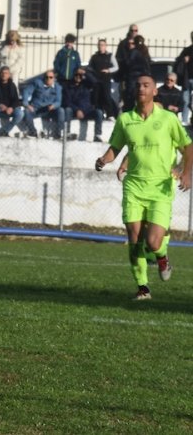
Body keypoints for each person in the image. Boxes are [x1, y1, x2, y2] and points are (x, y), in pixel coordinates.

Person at [95, 73, 192, 301]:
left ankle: (162, 257)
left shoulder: (168, 119)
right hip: (134, 187)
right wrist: (104, 159)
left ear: (154, 91)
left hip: (160, 188)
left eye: (146, 85)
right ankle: (142, 288)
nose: (141, 88)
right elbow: (116, 148)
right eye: (138, 85)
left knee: (153, 242)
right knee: (135, 238)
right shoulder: (125, 119)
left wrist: (186, 173)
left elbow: (187, 147)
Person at [62, 66, 104, 142]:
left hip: (86, 111)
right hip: (74, 111)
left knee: (99, 112)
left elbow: (94, 82)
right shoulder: (68, 87)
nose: (78, 77)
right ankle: (67, 133)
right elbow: (67, 102)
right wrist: (77, 110)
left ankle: (97, 135)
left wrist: (85, 72)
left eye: (80, 75)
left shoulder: (86, 85)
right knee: (68, 110)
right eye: (76, 75)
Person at [0, 65, 24, 137]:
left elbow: (16, 100)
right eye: (2, 73)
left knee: (20, 113)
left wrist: (11, 107)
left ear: (9, 75)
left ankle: (5, 131)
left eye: (6, 73)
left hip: (8, 110)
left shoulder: (12, 85)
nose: (4, 74)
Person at [22, 70, 62, 139]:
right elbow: (26, 91)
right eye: (46, 77)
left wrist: (53, 105)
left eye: (51, 77)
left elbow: (58, 101)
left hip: (49, 110)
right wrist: (27, 104)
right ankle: (33, 132)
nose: (48, 79)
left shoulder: (58, 87)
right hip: (36, 109)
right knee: (26, 111)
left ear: (54, 78)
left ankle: (58, 133)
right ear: (44, 78)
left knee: (61, 111)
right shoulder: (37, 83)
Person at [88, 38, 119, 119]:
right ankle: (98, 114)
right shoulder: (94, 57)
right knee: (97, 98)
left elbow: (116, 67)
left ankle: (110, 115)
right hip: (96, 80)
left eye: (102, 45)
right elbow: (89, 67)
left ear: (106, 46)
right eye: (99, 45)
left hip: (106, 80)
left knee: (107, 97)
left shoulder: (110, 56)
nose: (100, 47)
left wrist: (108, 70)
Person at [123, 34, 151, 112]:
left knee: (131, 98)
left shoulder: (134, 52)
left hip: (133, 77)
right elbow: (148, 65)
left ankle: (130, 112)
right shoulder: (145, 52)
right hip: (144, 77)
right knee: (141, 97)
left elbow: (128, 63)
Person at [174, 31, 193, 125]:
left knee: (191, 102)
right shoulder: (187, 50)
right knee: (186, 100)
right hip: (187, 79)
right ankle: (184, 120)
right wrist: (184, 60)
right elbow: (177, 60)